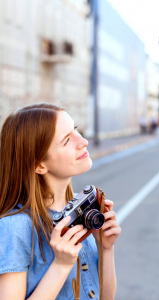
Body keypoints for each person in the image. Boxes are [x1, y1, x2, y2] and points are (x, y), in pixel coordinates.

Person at [0, 103, 121, 300]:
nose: (83, 141)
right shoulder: (15, 227)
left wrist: (106, 248)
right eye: (66, 141)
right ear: (39, 164)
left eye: (75, 130)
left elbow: (104, 297)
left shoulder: (78, 214)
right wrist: (61, 265)